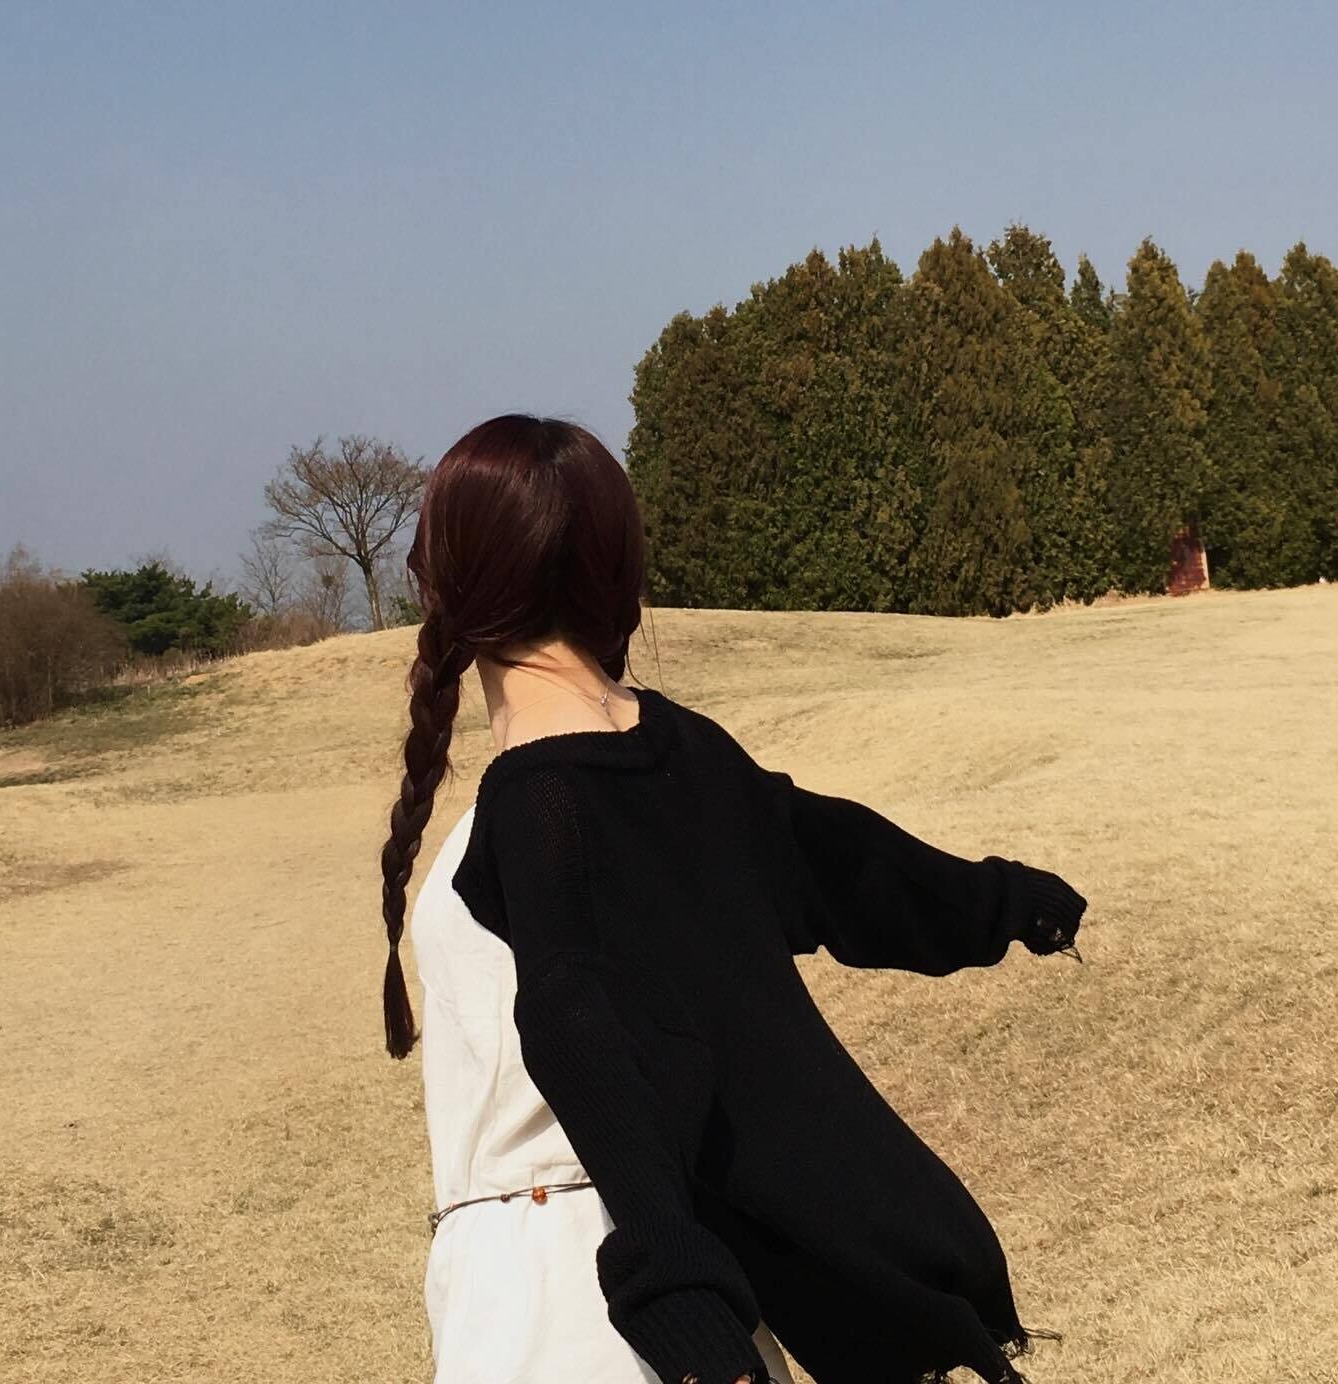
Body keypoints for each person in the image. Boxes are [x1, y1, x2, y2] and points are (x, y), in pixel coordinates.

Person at [381, 413, 1088, 1384]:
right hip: (685, 1293)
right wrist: (999, 900)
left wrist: (676, 1298)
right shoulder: (679, 757)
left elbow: (575, 1024)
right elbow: (840, 860)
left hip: (570, 1304)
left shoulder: (540, 802)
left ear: (442, 581)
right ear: (618, 570)